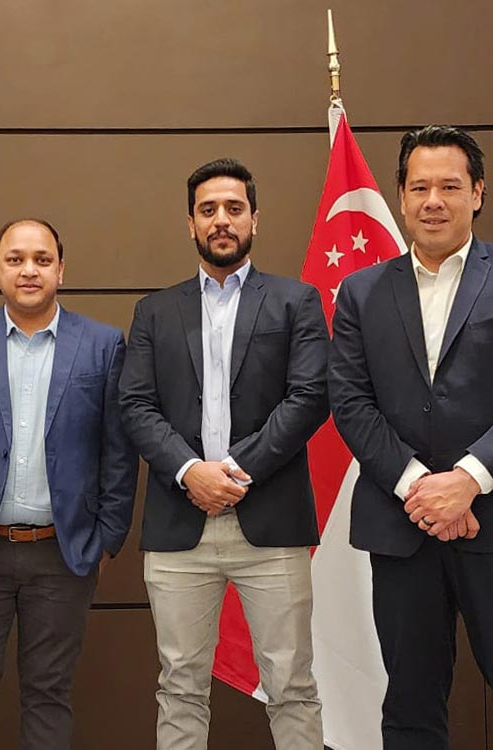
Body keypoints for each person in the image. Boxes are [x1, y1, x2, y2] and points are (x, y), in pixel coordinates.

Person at [329, 125, 493, 748]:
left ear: (478, 193)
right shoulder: (360, 291)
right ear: (401, 197)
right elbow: (351, 403)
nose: (433, 200)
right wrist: (420, 489)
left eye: (450, 186)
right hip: (400, 528)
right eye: (420, 187)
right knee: (409, 710)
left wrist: (465, 482)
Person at [118, 158, 327, 749]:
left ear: (255, 219)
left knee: (291, 684)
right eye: (208, 210)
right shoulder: (155, 311)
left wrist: (237, 471)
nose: (221, 220)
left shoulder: (295, 302)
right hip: (180, 525)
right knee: (180, 685)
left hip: (272, 524)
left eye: (234, 208)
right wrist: (191, 472)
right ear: (190, 223)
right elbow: (135, 406)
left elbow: (310, 397)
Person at [0, 218, 137, 750]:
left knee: (49, 694)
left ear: (62, 268)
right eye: (15, 259)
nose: (29, 270)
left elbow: (119, 452)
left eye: (41, 259)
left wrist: (106, 537)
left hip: (62, 555)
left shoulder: (103, 345)